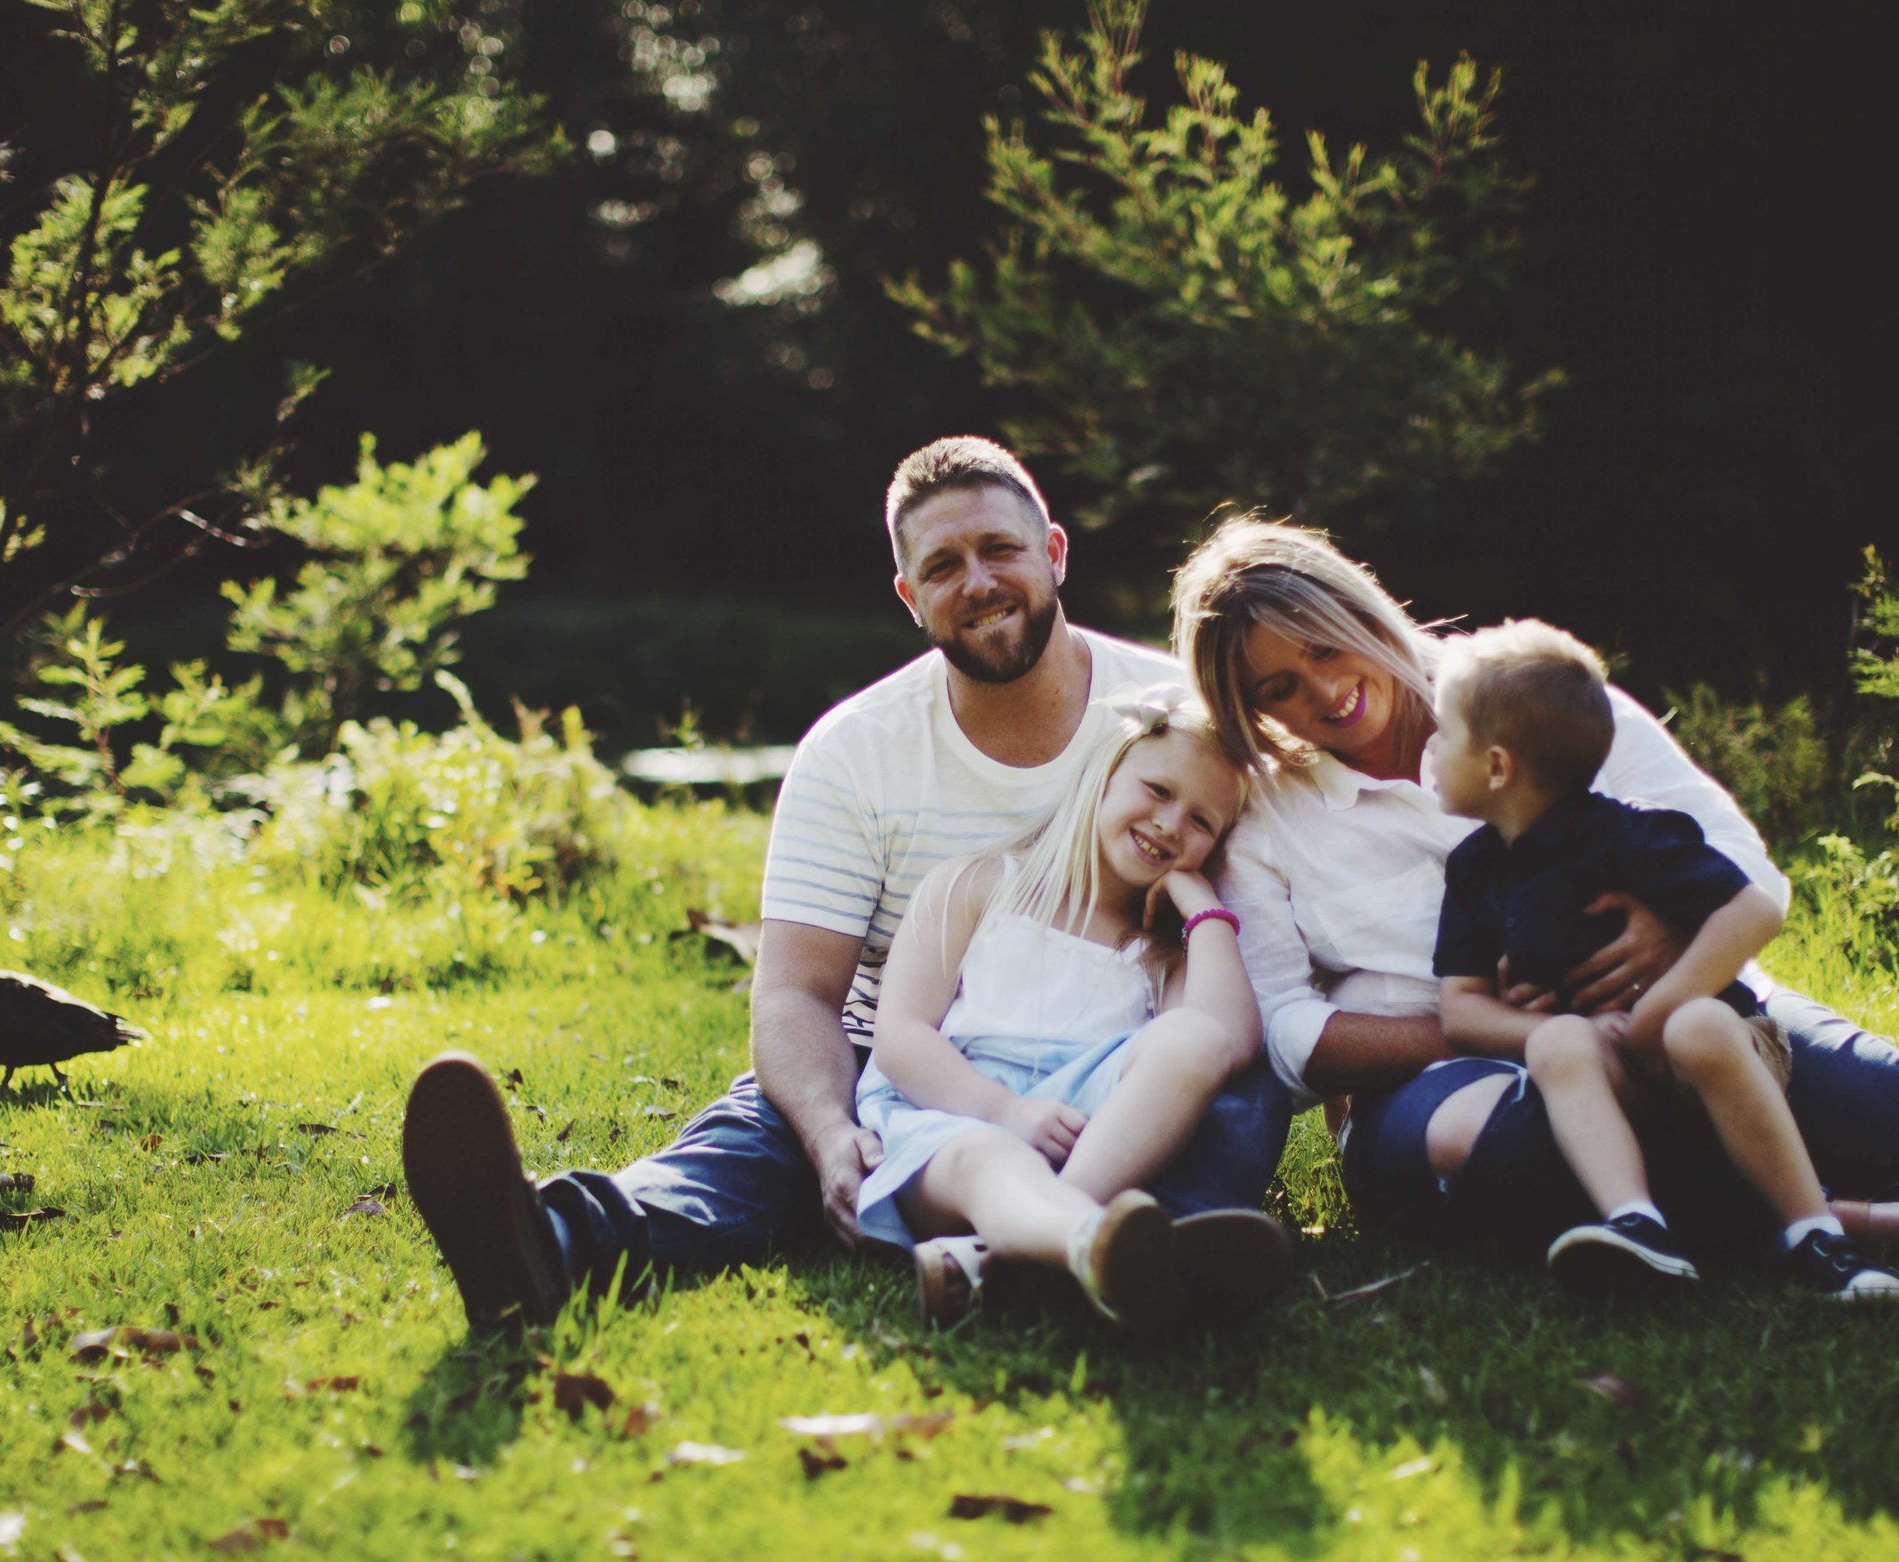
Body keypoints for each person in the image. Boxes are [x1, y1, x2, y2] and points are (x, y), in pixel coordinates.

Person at [399, 440, 1300, 1328]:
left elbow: (1265, 936)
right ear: (910, 597)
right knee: (761, 1142)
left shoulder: (1178, 715)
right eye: (943, 566)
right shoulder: (857, 749)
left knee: (1236, 1086)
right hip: (910, 1058)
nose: (978, 582)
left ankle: (1110, 1252)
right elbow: (797, 992)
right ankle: (544, 1243)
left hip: (1115, 1059)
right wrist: (833, 1134)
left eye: (1000, 549)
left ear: (1055, 553)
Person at [1172, 517, 1899, 1276]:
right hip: (1440, 1076)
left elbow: (1743, 869)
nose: (1325, 692)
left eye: (1325, 648)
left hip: (1670, 1011)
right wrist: (1490, 1019)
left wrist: (1668, 937)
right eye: (1277, 687)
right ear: (1246, 707)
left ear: (1362, 610)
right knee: (1496, 1147)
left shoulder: (1522, 691)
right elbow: (1289, 1032)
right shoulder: (1268, 811)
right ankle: (1860, 1226)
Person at [1427, 619, 1899, 1298]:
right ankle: (1637, 1226)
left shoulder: (1630, 834)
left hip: (1716, 1056)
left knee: (1697, 1025)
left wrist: (1659, 1007)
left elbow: (1753, 909)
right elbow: (1460, 1006)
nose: (1430, 748)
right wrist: (1568, 1030)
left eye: (1443, 733)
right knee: (1558, 1039)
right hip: (1605, 1069)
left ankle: (1818, 1235)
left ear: (1498, 765)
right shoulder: (1476, 868)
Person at [858, 691, 1289, 1329]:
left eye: (1203, 823)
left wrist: (1203, 910)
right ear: (1103, 776)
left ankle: (1016, 1260)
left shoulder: (1161, 952)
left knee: (1191, 1037)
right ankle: (1092, 1245)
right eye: (1159, 791)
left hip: (1090, 1143)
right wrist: (1004, 1112)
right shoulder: (978, 884)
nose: (1172, 825)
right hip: (949, 1124)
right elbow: (899, 1035)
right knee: (992, 1159)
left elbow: (1227, 1043)